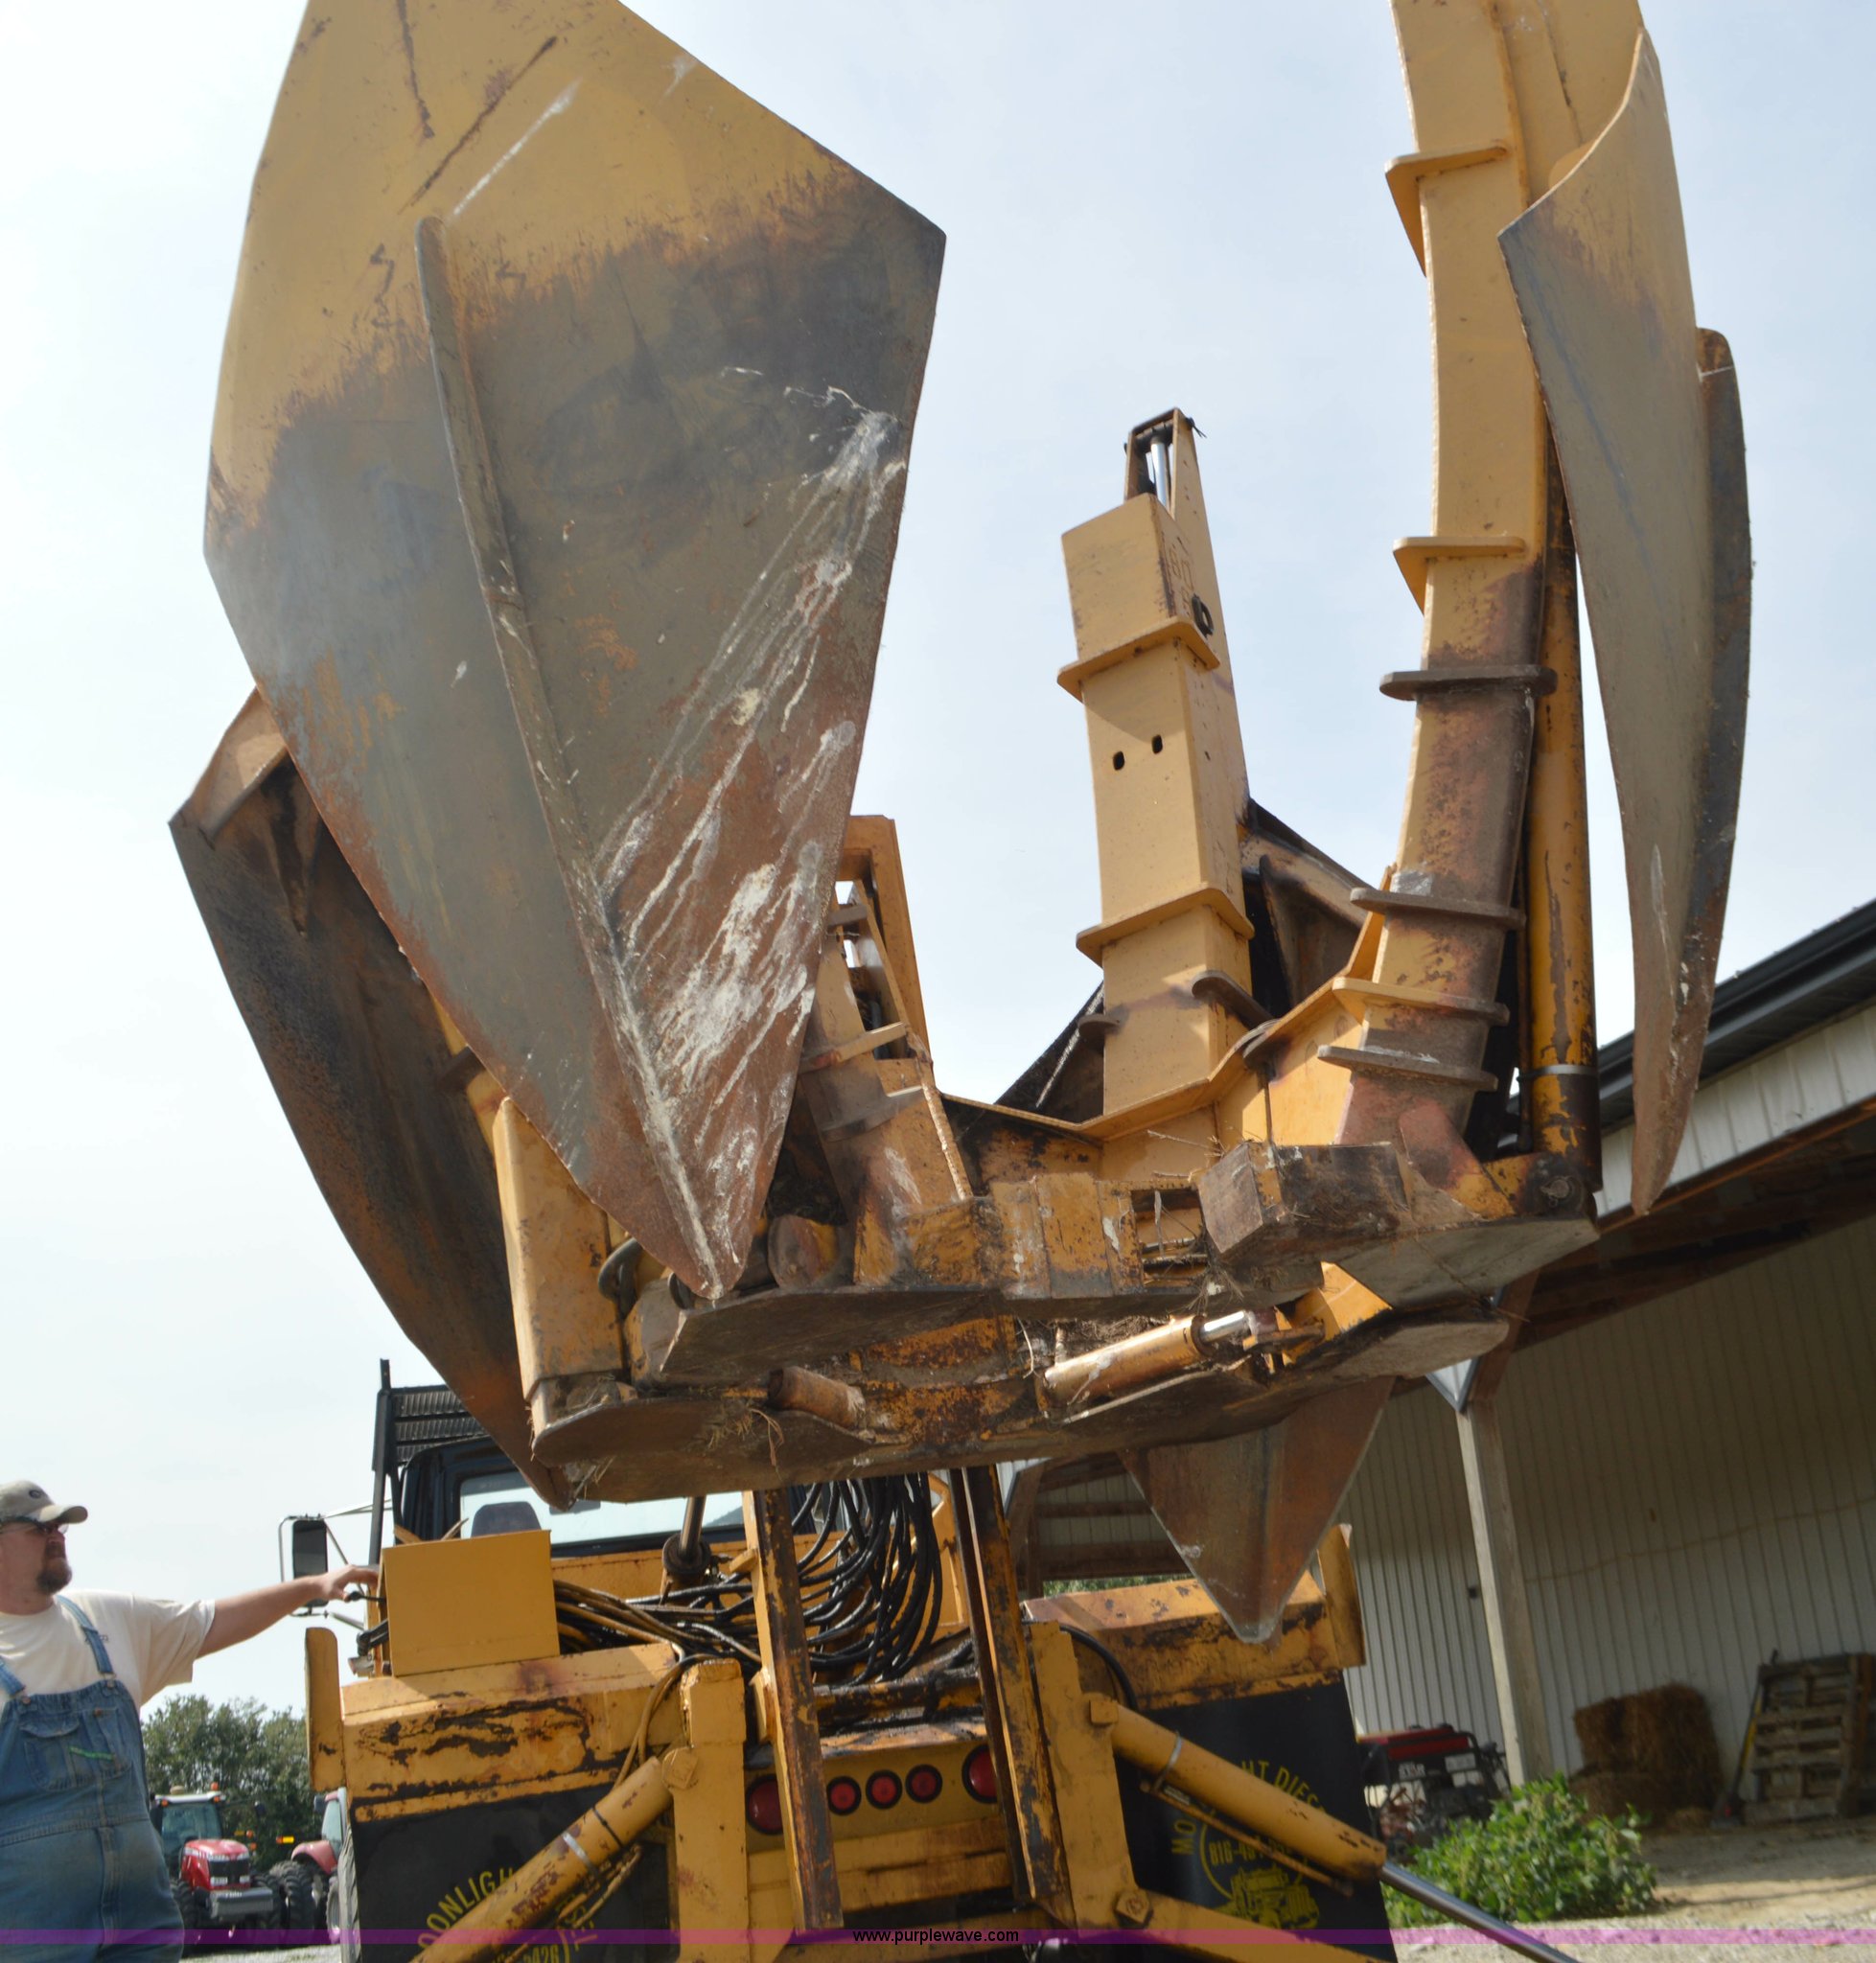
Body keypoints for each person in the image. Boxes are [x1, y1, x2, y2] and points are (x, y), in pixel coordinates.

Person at [0, 1478, 376, 1963]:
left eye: (61, 1527)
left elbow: (212, 1620)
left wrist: (313, 1586)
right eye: (40, 1528)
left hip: (141, 1930)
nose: (57, 1535)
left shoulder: (105, 1621)